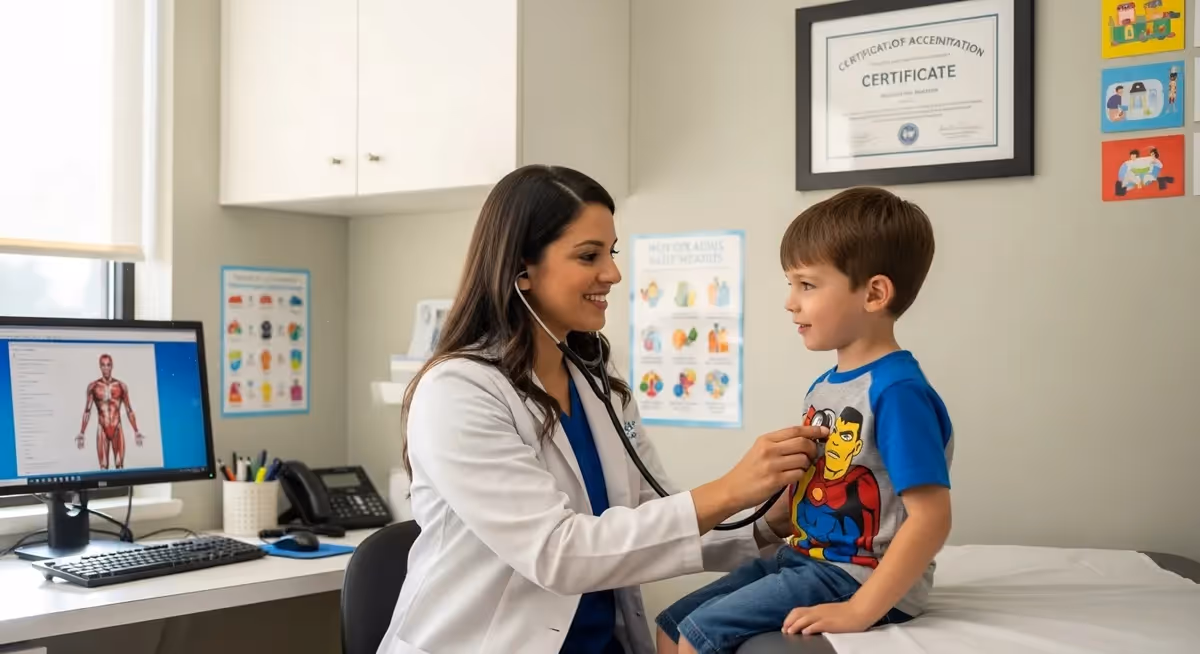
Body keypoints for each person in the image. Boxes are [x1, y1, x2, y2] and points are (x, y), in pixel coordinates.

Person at [377, 165, 828, 654]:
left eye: (610, 253)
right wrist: (728, 490)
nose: (612, 273)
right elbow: (557, 553)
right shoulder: (458, 391)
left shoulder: (594, 374)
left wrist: (767, 520)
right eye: (589, 255)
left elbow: (650, 520)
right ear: (520, 269)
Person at [656, 187, 954, 654]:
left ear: (874, 293)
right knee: (672, 626)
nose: (790, 302)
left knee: (698, 639)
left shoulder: (897, 393)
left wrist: (861, 609)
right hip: (807, 556)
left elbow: (932, 519)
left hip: (858, 575)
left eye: (807, 285)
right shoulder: (828, 384)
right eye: (790, 284)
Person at [76, 353, 144, 469]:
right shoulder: (93, 387)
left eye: (108, 365)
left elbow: (129, 409)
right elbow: (87, 411)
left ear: (112, 366)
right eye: (103, 365)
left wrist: (136, 430)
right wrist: (82, 432)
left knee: (119, 466)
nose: (106, 368)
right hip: (102, 428)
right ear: (100, 367)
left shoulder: (121, 386)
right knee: (103, 467)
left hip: (117, 428)